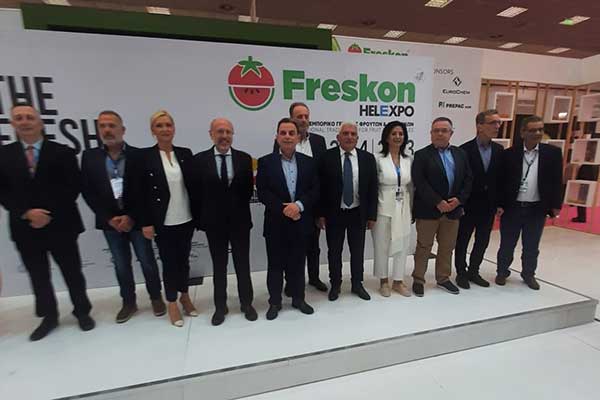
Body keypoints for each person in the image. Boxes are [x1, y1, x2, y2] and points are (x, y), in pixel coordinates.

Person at [0, 104, 94, 341]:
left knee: (72, 272)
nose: (24, 121)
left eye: (29, 117)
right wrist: (27, 213)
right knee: (38, 275)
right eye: (19, 118)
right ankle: (49, 316)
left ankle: (82, 311)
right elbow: (3, 192)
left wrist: (46, 214)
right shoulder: (4, 155)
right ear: (12, 124)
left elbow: (72, 187)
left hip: (61, 224)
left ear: (40, 123)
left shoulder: (62, 152)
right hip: (24, 227)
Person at [81, 110, 165, 323]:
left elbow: (145, 190)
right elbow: (88, 192)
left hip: (136, 220)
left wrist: (131, 216)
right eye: (103, 126)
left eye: (112, 125)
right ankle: (128, 302)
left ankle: (156, 297)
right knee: (120, 264)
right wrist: (109, 218)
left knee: (147, 261)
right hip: (110, 223)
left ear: (122, 129)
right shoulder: (90, 157)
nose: (107, 130)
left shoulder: (138, 156)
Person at [130, 110, 196, 326]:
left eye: (168, 125)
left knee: (184, 261)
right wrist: (145, 222)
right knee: (169, 263)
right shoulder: (144, 157)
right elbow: (139, 194)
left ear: (174, 128)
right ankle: (172, 302)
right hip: (163, 221)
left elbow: (194, 186)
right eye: (159, 126)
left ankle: (185, 296)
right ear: (153, 130)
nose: (165, 129)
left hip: (185, 217)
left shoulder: (185, 153)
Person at [190, 118, 257, 326]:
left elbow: (247, 191)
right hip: (214, 224)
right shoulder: (199, 160)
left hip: (240, 222)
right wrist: (202, 220)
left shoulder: (244, 159)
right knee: (219, 266)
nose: (224, 136)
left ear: (232, 135)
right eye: (220, 131)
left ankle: (246, 303)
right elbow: (196, 193)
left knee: (243, 264)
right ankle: (220, 306)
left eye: (228, 132)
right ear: (211, 134)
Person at [257, 118, 319, 320]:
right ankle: (275, 302)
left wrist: (298, 205)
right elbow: (263, 192)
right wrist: (285, 209)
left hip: (301, 221)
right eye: (283, 133)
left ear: (298, 137)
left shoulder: (309, 162)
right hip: (276, 223)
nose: (287, 137)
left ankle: (299, 299)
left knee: (298, 264)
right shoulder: (265, 162)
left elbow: (315, 190)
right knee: (275, 265)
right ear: (277, 137)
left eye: (291, 133)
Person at [496, 115, 563, 290]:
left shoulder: (553, 154)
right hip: (513, 208)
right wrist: (499, 204)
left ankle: (528, 274)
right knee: (507, 244)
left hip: (537, 208)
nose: (537, 133)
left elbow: (557, 181)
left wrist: (556, 205)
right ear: (522, 132)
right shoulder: (509, 154)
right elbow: (501, 182)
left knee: (532, 245)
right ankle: (502, 272)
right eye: (533, 130)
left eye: (540, 129)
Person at [411, 117, 473, 297]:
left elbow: (468, 179)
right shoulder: (422, 155)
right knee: (424, 247)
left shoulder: (461, 154)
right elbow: (420, 183)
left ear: (451, 133)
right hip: (428, 210)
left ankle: (443, 278)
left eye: (444, 130)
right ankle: (418, 279)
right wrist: (438, 202)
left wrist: (458, 200)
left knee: (447, 247)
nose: (439, 133)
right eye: (436, 130)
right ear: (431, 133)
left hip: (453, 210)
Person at [318, 122, 377, 301]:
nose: (349, 137)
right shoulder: (326, 157)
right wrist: (320, 214)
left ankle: (357, 284)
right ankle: (335, 284)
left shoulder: (367, 158)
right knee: (334, 252)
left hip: (358, 213)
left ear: (357, 138)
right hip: (334, 213)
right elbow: (320, 188)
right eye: (345, 133)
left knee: (357, 251)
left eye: (353, 134)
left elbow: (373, 188)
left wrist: (371, 215)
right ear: (338, 137)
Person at [274, 102, 328, 293]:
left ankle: (314, 277)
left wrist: (321, 211)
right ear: (291, 118)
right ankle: (291, 282)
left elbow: (323, 177)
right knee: (290, 246)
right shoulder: (283, 140)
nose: (303, 120)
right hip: (290, 206)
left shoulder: (319, 141)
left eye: (306, 116)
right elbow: (277, 173)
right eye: (299, 116)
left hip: (312, 204)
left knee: (313, 245)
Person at [454, 110, 504, 289]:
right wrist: (459, 203)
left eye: (498, 123)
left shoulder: (499, 150)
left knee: (482, 240)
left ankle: (474, 271)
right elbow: (459, 180)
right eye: (492, 123)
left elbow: (500, 179)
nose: (497, 126)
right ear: (479, 126)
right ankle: (461, 272)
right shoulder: (464, 150)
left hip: (488, 205)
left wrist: (499, 203)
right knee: (462, 240)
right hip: (468, 204)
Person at [371, 121, 413, 297]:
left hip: (403, 206)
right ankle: (383, 281)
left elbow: (411, 186)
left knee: (402, 244)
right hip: (383, 206)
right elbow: (372, 186)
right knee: (382, 244)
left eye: (401, 134)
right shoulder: (377, 158)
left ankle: (398, 281)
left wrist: (412, 209)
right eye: (394, 133)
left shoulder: (408, 159)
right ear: (387, 137)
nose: (397, 137)